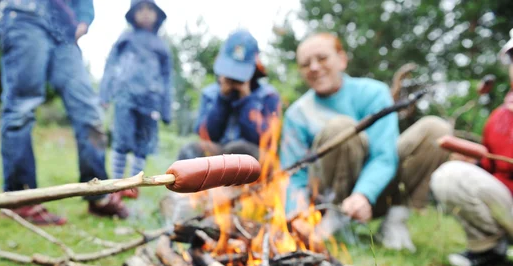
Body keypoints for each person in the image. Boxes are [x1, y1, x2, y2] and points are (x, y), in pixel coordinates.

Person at [280, 32, 452, 251]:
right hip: (324, 198)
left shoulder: (373, 93)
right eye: (305, 64)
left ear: (342, 60)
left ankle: (395, 219)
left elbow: (384, 154)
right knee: (339, 127)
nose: (314, 67)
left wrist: (364, 194)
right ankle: (334, 219)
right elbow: (294, 174)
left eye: (322, 58)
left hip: (376, 194)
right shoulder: (297, 114)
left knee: (436, 130)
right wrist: (296, 213)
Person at [0, 0, 128, 226]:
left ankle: (98, 193)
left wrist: (84, 20)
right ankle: (21, 199)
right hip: (25, 13)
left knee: (90, 111)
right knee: (21, 106)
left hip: (64, 29)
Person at [430, 29, 513, 266]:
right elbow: (491, 169)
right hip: (507, 204)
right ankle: (488, 249)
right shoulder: (499, 118)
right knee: (450, 176)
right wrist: (473, 165)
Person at [100, 0, 172, 199]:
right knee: (122, 140)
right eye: (141, 9)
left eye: (150, 9)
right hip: (125, 97)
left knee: (143, 144)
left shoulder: (161, 45)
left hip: (151, 102)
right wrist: (106, 93)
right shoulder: (126, 38)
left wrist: (166, 109)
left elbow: (167, 78)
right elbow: (111, 64)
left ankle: (132, 184)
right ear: (133, 14)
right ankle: (116, 184)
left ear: (157, 14)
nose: (146, 13)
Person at [177, 30, 281, 161]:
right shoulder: (210, 94)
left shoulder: (268, 96)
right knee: (190, 150)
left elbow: (265, 140)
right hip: (220, 154)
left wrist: (246, 99)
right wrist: (222, 98)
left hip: (254, 157)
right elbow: (207, 135)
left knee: (238, 149)